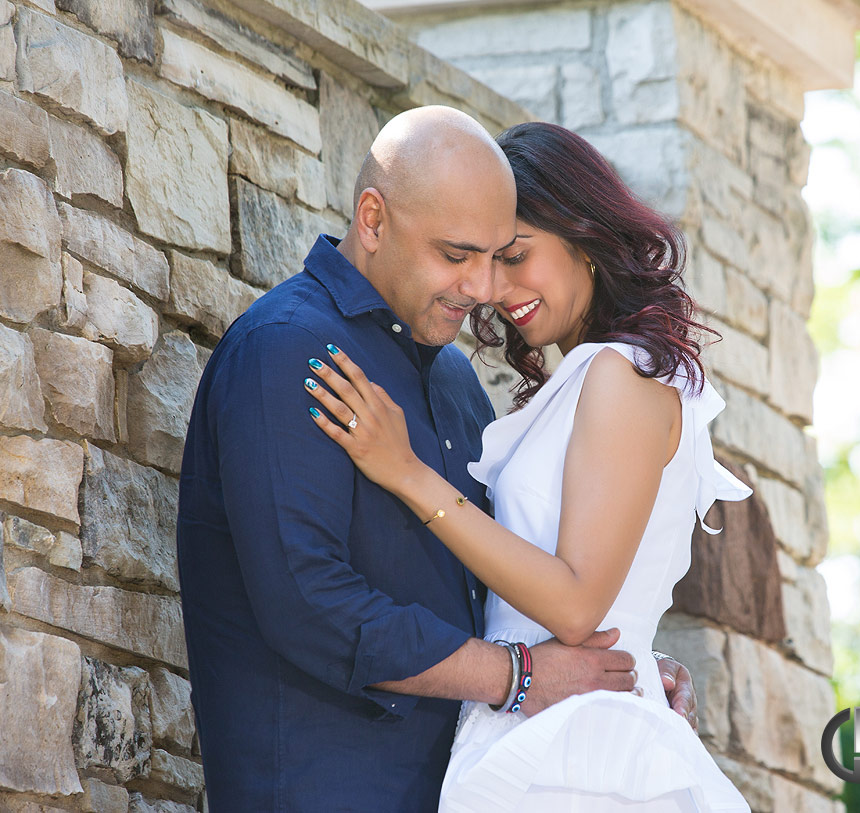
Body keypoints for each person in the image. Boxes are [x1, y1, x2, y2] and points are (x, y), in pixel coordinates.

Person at [176, 106, 696, 811]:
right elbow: (310, 600)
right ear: (373, 219)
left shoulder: (453, 384)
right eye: (457, 256)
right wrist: (517, 673)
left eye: (499, 255)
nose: (483, 289)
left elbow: (489, 590)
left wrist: (612, 673)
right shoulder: (288, 348)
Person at [303, 121, 751, 811]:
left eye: (515, 256)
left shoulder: (619, 374)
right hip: (540, 714)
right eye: (481, 260)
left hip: (578, 745)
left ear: (585, 237)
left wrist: (406, 470)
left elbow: (576, 604)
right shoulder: (585, 380)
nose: (492, 288)